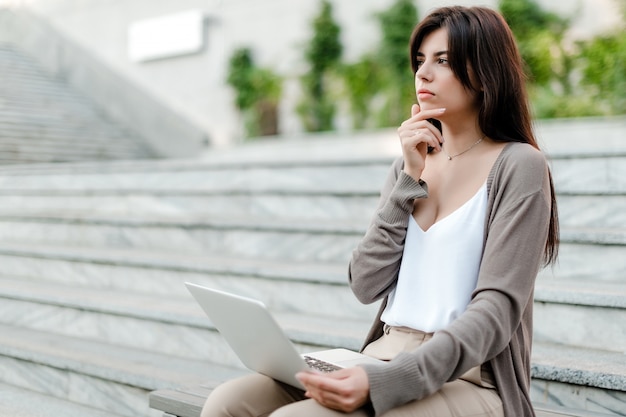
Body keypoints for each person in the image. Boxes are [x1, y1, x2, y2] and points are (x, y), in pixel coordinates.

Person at [201, 5, 559, 417]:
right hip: (381, 353)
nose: (423, 74)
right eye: (420, 61)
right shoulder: (410, 164)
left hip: (469, 377)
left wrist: (384, 381)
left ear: (483, 71)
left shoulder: (519, 166)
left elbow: (496, 314)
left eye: (442, 61)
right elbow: (365, 283)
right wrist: (409, 178)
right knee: (226, 404)